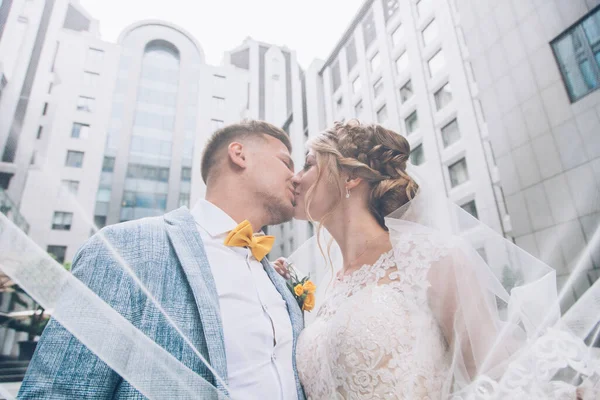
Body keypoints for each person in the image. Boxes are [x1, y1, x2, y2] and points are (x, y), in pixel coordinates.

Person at [275, 119, 599, 399]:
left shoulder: (429, 257)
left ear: (350, 177)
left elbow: (489, 369)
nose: (296, 178)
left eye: (308, 164)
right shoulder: (329, 285)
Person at [18, 120, 306, 400]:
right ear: (239, 154)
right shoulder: (124, 249)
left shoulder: (275, 275)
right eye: (286, 163)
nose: (295, 177)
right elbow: (59, 391)